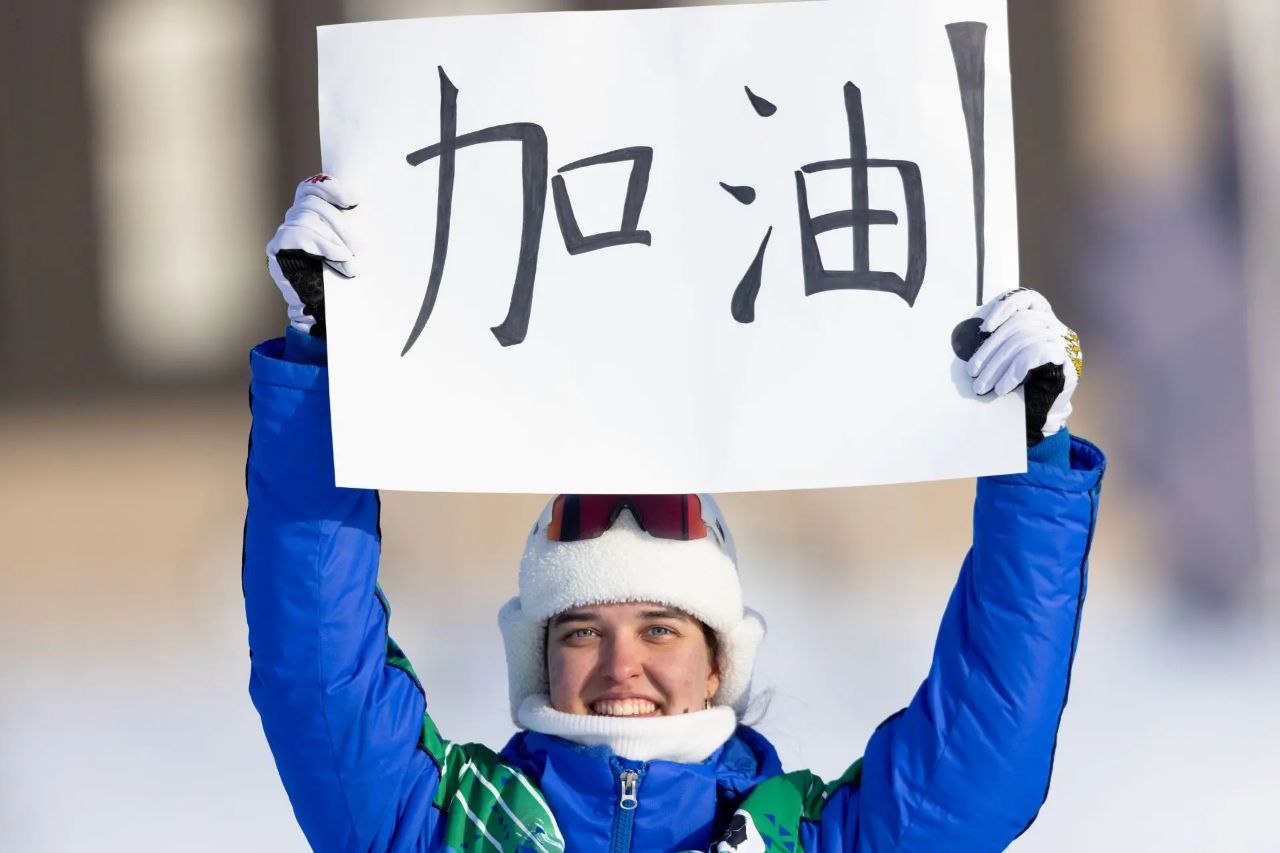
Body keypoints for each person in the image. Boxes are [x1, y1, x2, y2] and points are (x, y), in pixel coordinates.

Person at [244, 175, 1105, 852]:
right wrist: (326, 362)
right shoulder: (441, 829)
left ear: (718, 658)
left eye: (661, 628)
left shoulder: (806, 840)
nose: (622, 664)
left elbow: (986, 751)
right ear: (538, 653)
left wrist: (1028, 455)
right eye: (581, 628)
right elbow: (314, 669)